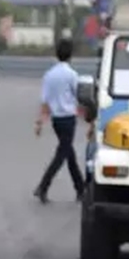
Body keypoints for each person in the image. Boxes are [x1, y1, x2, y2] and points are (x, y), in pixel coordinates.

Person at [33, 38, 87, 203]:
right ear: (71, 55)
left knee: (68, 153)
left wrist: (40, 122)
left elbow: (45, 101)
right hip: (69, 119)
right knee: (62, 154)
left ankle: (80, 189)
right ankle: (43, 186)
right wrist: (88, 117)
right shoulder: (72, 75)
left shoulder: (49, 75)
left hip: (56, 120)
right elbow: (78, 97)